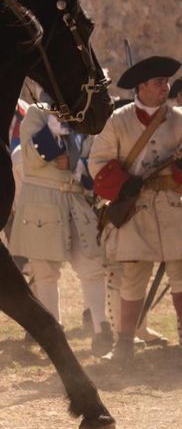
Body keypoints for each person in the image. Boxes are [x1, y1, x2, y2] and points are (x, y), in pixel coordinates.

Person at [88, 57, 182, 359]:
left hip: (173, 201)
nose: (165, 87)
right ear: (141, 87)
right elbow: (97, 164)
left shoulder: (180, 116)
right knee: (133, 277)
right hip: (137, 205)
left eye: (166, 82)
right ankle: (124, 343)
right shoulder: (117, 120)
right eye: (159, 82)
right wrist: (124, 183)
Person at [10, 100, 112, 355]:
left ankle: (102, 330)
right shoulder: (37, 113)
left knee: (92, 266)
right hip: (42, 202)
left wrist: (78, 164)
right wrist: (54, 129)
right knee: (45, 274)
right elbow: (35, 156)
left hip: (76, 198)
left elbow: (93, 155)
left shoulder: (84, 115)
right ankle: (54, 336)